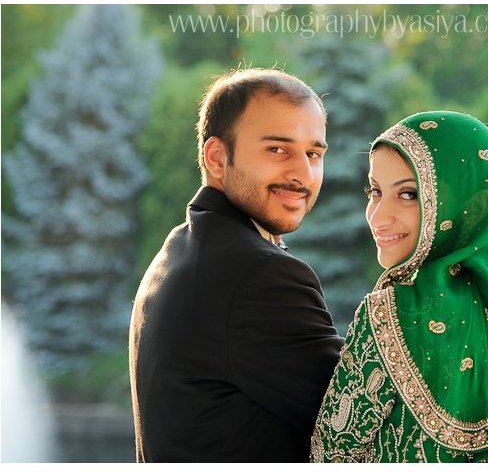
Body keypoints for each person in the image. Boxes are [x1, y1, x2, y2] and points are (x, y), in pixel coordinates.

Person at [310, 111, 488, 462]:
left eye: (409, 194)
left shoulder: (393, 313)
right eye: (375, 191)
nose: (377, 216)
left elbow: (329, 456)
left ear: (473, 206)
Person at [129, 68, 344, 462]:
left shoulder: (181, 246)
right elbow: (364, 418)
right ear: (217, 157)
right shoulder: (259, 275)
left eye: (313, 154)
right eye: (277, 149)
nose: (303, 174)